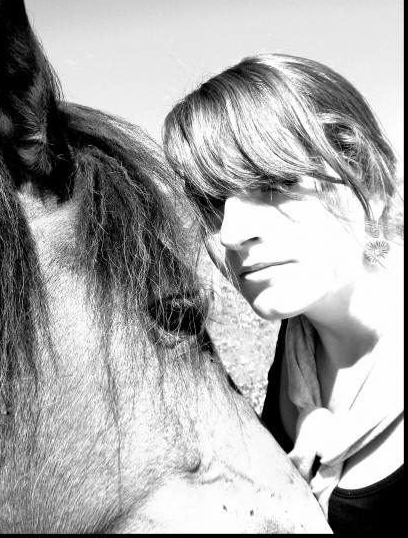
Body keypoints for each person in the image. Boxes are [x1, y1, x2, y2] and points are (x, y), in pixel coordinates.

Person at [162, 53, 403, 533]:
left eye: (272, 183)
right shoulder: (299, 337)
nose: (230, 233)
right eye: (211, 202)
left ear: (369, 183)